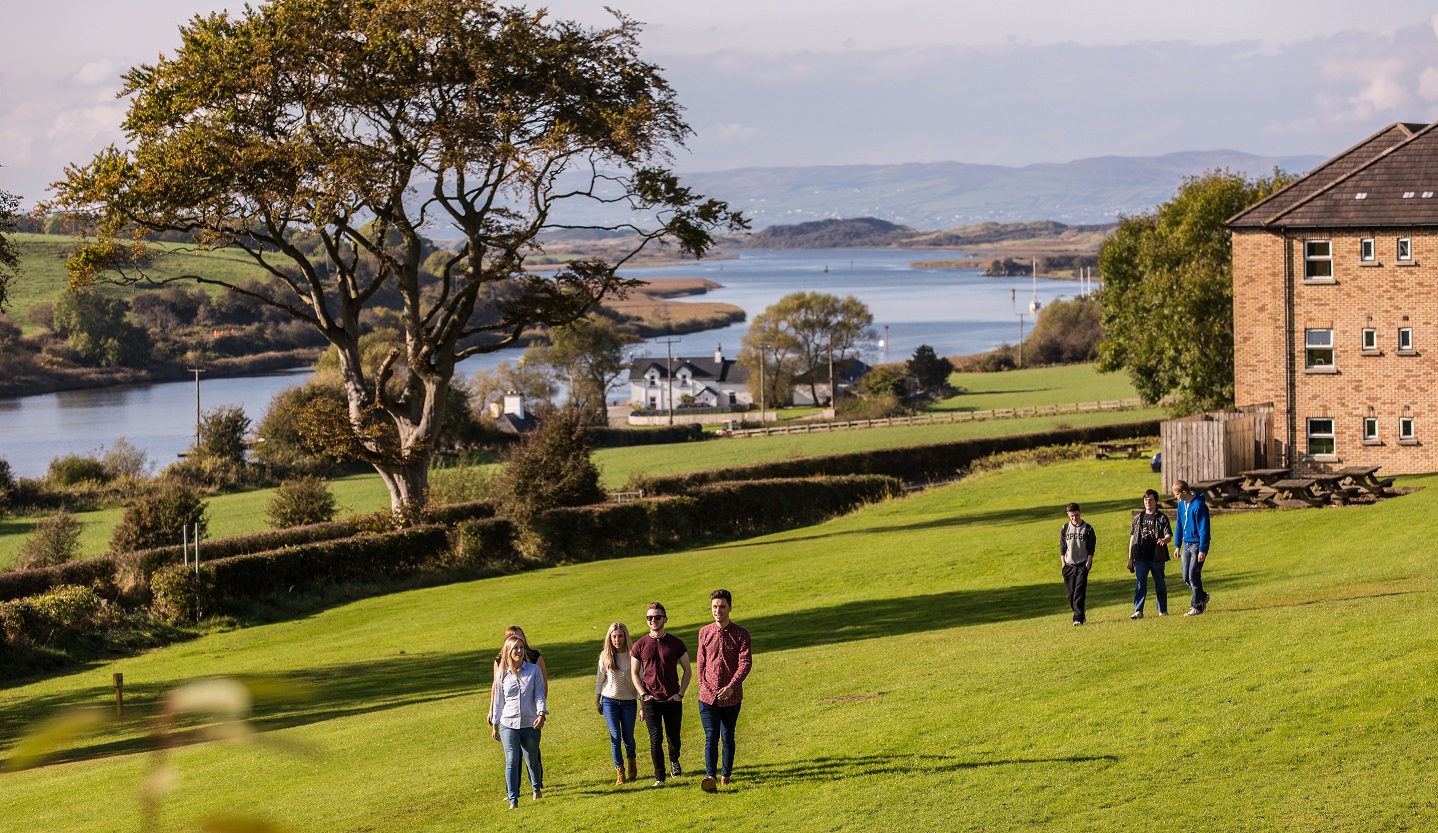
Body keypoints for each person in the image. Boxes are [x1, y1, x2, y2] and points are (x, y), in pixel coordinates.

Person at [629, 601, 692, 787]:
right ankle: (659, 777)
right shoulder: (640, 645)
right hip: (650, 700)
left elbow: (687, 670)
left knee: (674, 738)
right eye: (649, 618)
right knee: (655, 739)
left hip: (672, 698)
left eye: (657, 617)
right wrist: (643, 694)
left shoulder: (676, 643)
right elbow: (634, 673)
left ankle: (674, 760)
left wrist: (680, 694)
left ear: (665, 619)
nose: (653, 620)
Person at [696, 589, 752, 793]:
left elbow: (745, 663)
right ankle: (709, 776)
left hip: (732, 697)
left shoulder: (741, 634)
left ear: (729, 608)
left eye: (721, 606)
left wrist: (731, 687)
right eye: (714, 607)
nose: (717, 610)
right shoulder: (704, 632)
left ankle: (725, 776)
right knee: (711, 735)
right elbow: (701, 664)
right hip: (707, 696)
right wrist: (703, 686)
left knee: (727, 735)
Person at [490, 635, 547, 809]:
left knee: (532, 760)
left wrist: (541, 714)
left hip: (531, 723)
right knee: (512, 760)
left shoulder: (533, 670)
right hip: (509, 724)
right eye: (515, 648)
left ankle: (536, 787)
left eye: (521, 647)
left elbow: (539, 694)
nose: (520, 651)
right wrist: (495, 724)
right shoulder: (501, 674)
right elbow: (498, 701)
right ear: (508, 651)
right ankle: (513, 800)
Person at [595, 622, 640, 786]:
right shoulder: (605, 656)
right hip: (609, 701)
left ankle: (631, 762)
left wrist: (642, 704)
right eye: (614, 636)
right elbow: (600, 679)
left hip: (629, 701)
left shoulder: (633, 654)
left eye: (620, 636)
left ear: (625, 636)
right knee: (615, 735)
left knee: (628, 736)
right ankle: (619, 771)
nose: (617, 639)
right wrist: (597, 699)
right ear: (609, 638)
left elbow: (639, 679)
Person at [1127, 488, 1173, 619]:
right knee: (1140, 583)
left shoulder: (1161, 518)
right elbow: (1132, 538)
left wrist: (1165, 540)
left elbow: (1169, 534)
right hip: (1140, 557)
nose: (1148, 502)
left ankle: (1162, 610)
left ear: (1156, 501)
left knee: (1159, 583)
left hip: (1157, 557)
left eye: (1151, 500)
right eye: (1146, 500)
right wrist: (1130, 558)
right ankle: (1138, 610)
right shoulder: (1137, 519)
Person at [489, 626, 547, 729]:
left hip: (530, 715)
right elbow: (496, 689)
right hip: (509, 717)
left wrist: (540, 713)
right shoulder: (500, 660)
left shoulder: (535, 657)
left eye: (520, 635)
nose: (518, 639)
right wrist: (492, 710)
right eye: (514, 636)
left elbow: (542, 688)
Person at [1172, 480, 1212, 616]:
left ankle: (1197, 607)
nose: (1176, 497)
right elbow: (1179, 524)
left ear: (1184, 492)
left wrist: (1202, 549)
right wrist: (1177, 545)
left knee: (1193, 575)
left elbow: (1203, 529)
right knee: (1186, 577)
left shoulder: (1199, 506)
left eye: (1177, 494)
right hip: (1186, 544)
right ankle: (1202, 596)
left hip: (1197, 544)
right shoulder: (1181, 505)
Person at [1059, 502, 1096, 626]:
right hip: (1069, 565)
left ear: (1080, 512)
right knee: (1071, 595)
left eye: (1076, 515)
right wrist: (1063, 563)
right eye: (1072, 516)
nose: (1074, 518)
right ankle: (1080, 613)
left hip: (1082, 564)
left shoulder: (1088, 529)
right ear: (1068, 515)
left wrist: (1088, 561)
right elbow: (1062, 547)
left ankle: (1078, 619)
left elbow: (1091, 547)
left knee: (1079, 592)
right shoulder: (1064, 528)